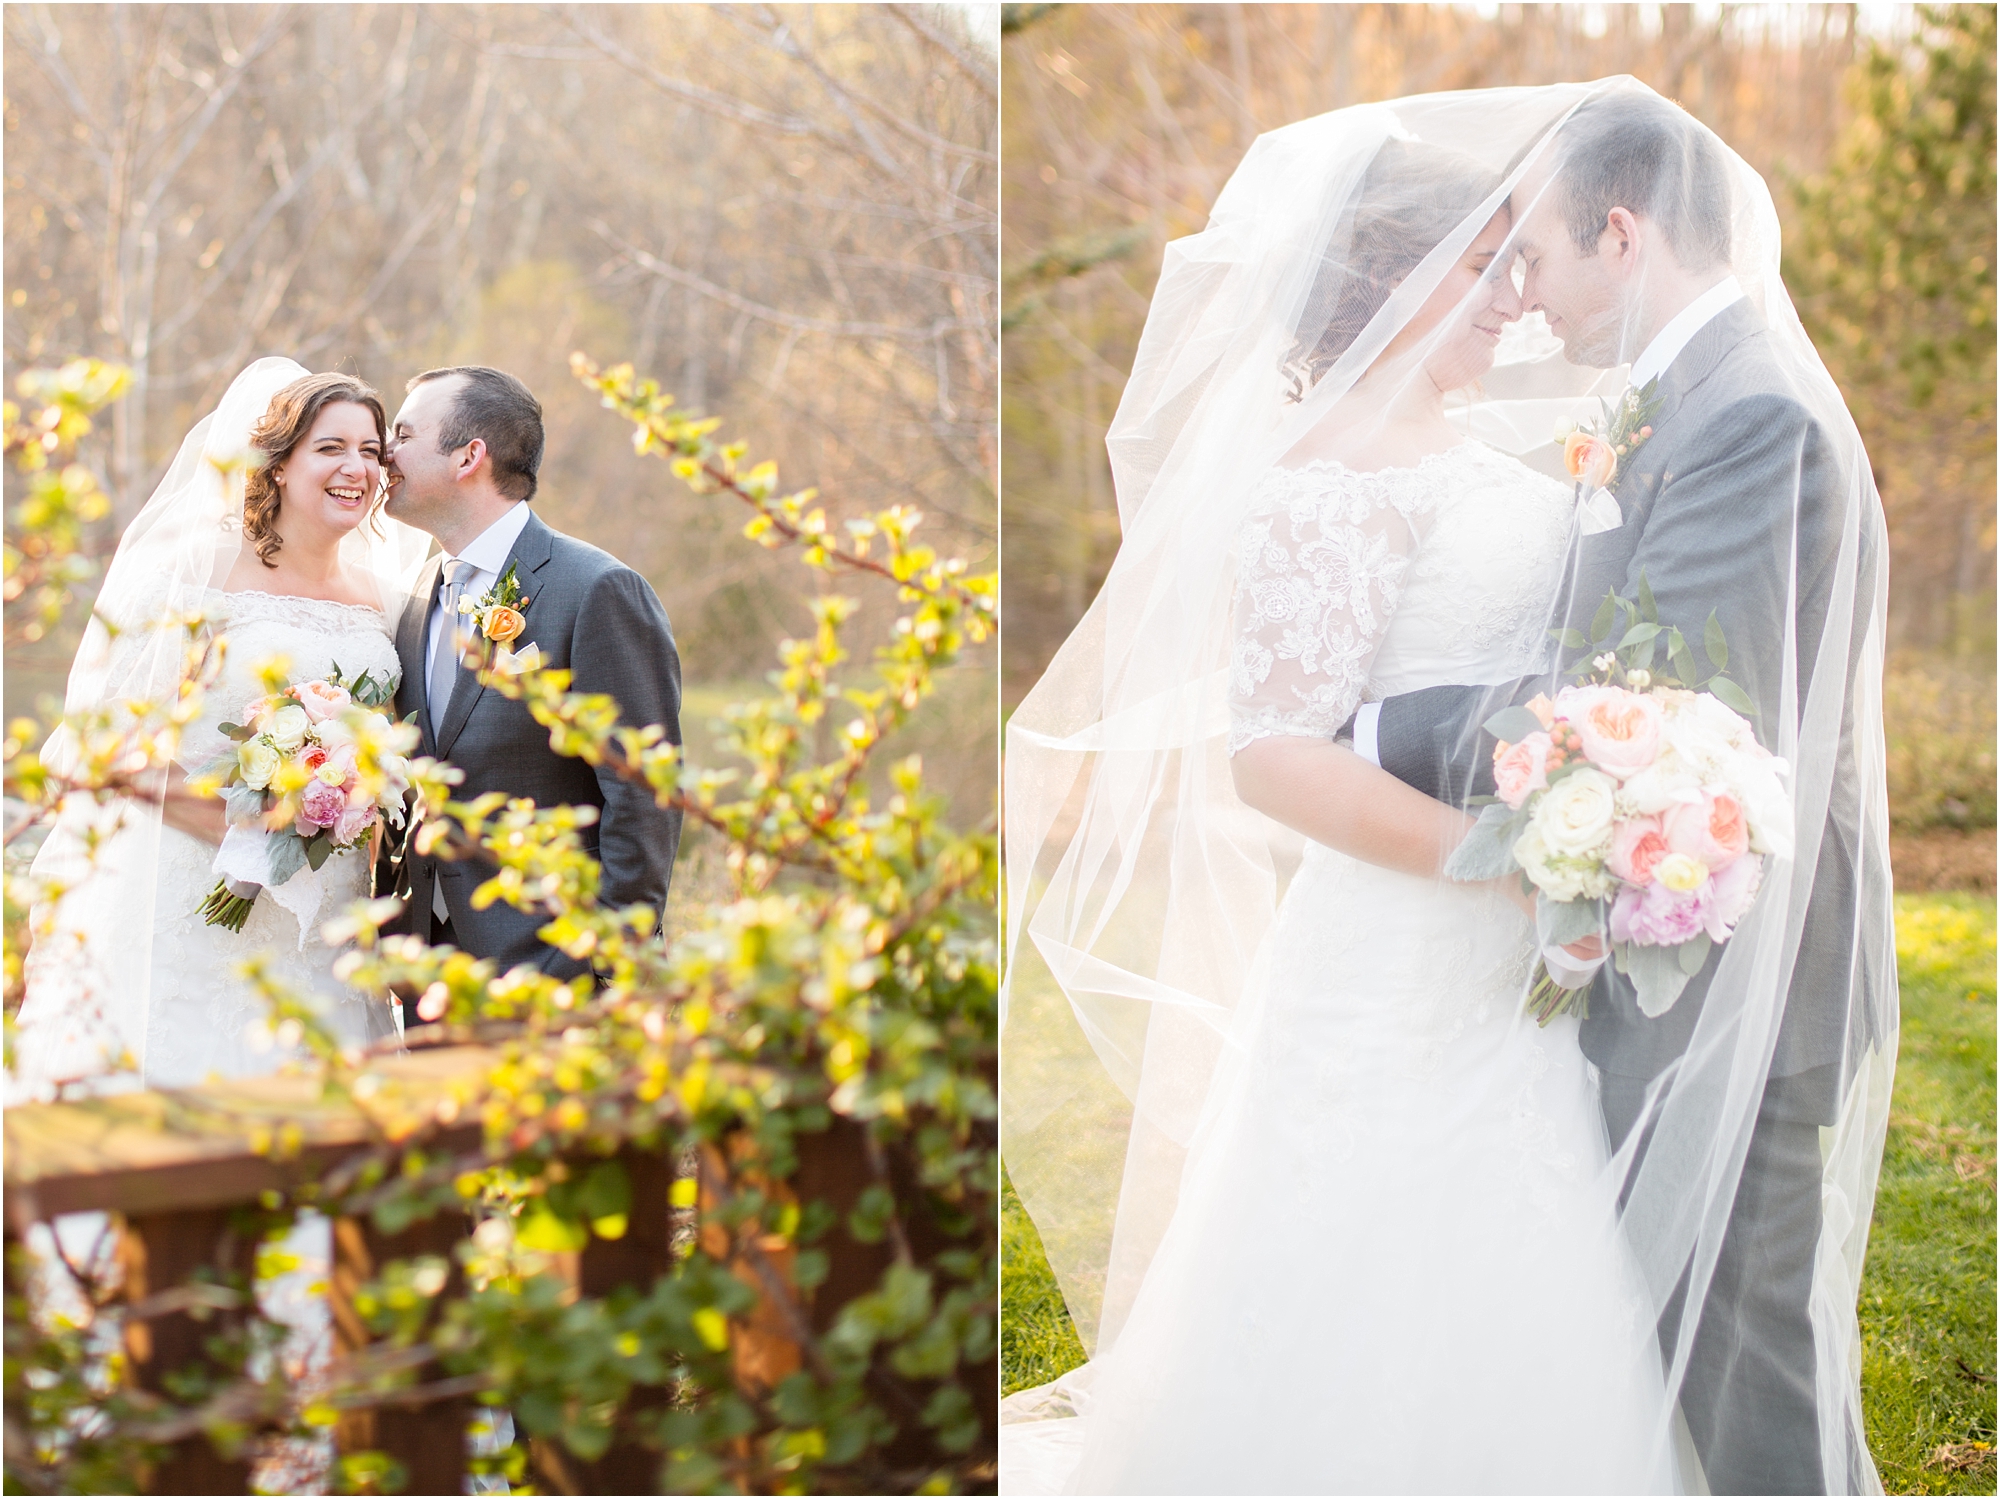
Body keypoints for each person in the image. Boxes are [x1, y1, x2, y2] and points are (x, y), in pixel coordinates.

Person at [1000, 79, 1893, 1497]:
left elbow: (1618, 674)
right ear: (1390, 282)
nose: (1517, 302)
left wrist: (1545, 820)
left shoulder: (1543, 445)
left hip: (1541, 955)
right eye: (1491, 265)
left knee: (1597, 1293)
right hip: (1428, 934)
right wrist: (1508, 858)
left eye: (1521, 257)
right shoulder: (1318, 484)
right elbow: (1274, 749)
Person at [14, 359, 425, 1094]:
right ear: (278, 461)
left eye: (370, 450)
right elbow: (113, 750)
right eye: (330, 447)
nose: (355, 468)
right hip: (189, 889)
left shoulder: (386, 599)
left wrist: (339, 805)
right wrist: (260, 831)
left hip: (326, 913)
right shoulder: (193, 573)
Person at [379, 366, 682, 1019]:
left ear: (469, 456)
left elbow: (644, 796)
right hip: (430, 977)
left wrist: (595, 960)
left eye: (403, 434)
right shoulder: (410, 595)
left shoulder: (595, 590)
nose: (384, 452)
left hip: (555, 977)